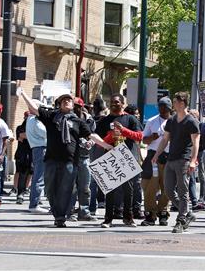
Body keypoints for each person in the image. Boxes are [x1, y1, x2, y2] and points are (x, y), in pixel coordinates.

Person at [19, 89, 112, 227]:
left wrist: (105, 145)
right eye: (63, 100)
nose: (66, 101)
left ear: (73, 105)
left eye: (68, 100)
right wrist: (22, 93)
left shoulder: (78, 121)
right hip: (51, 160)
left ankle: (60, 217)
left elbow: (91, 135)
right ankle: (57, 212)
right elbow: (34, 108)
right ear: (59, 104)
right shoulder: (51, 116)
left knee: (66, 189)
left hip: (70, 161)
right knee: (50, 189)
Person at [152, 92, 200, 233]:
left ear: (182, 103)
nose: (173, 104)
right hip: (171, 159)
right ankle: (187, 213)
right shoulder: (172, 121)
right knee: (168, 190)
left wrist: (193, 161)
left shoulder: (191, 121)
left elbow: (196, 142)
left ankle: (181, 220)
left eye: (175, 101)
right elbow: (165, 139)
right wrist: (157, 154)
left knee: (183, 191)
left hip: (184, 159)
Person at [97, 94, 143, 228]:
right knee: (110, 190)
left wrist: (123, 131)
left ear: (123, 104)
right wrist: (111, 137)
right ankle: (108, 219)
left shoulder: (131, 119)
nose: (114, 104)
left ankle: (128, 218)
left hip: (126, 158)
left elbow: (139, 136)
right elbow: (99, 142)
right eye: (112, 102)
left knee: (128, 190)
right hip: (110, 158)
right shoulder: (104, 121)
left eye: (117, 102)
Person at [140, 97, 172, 226]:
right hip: (153, 157)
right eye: (160, 106)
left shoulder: (175, 121)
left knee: (168, 187)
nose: (162, 108)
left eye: (165, 106)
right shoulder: (152, 121)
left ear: (170, 108)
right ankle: (150, 215)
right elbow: (144, 140)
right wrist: (152, 137)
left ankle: (163, 212)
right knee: (150, 187)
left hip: (169, 158)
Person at [68, 97, 98, 222]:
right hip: (72, 157)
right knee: (71, 187)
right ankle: (69, 212)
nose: (75, 109)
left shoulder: (90, 120)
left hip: (85, 156)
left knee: (85, 186)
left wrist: (91, 142)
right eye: (73, 106)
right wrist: (80, 141)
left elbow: (93, 135)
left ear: (81, 107)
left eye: (77, 106)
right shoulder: (69, 119)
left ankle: (84, 212)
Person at [26, 100, 48, 214]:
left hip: (36, 148)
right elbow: (45, 132)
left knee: (38, 176)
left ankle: (35, 201)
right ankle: (34, 204)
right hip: (41, 148)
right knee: (39, 177)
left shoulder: (29, 119)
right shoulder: (35, 120)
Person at [14, 113, 33, 205]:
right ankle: (20, 194)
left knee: (32, 174)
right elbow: (21, 136)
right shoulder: (20, 127)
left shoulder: (34, 128)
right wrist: (32, 135)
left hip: (33, 154)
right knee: (22, 173)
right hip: (22, 154)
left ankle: (31, 194)